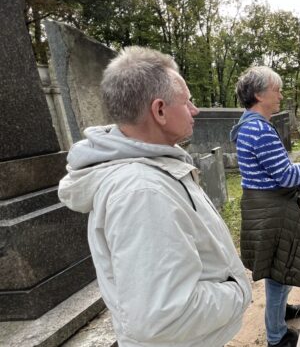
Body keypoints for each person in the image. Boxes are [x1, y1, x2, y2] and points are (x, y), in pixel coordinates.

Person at [58, 46, 252, 347]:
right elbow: (163, 317)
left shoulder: (155, 171)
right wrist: (238, 291)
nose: (195, 110)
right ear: (159, 110)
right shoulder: (142, 191)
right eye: (187, 101)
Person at [230, 66, 300, 347]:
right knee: (280, 270)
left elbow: (272, 173)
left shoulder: (249, 124)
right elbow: (285, 175)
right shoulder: (259, 130)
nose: (280, 95)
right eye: (276, 90)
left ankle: (280, 313)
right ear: (258, 94)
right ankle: (276, 336)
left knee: (282, 264)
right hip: (271, 211)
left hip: (264, 205)